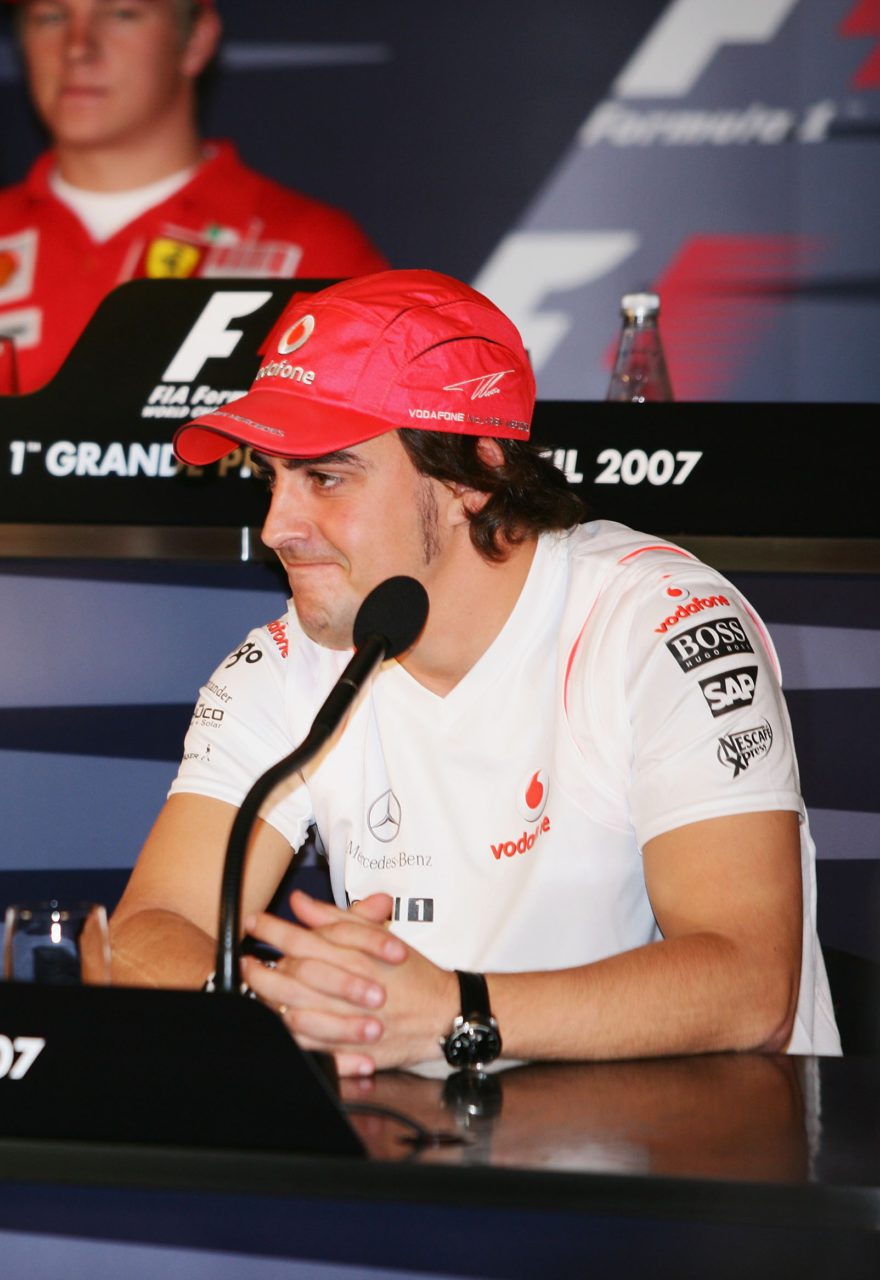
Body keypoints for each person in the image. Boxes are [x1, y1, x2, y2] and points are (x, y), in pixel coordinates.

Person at [111, 268, 839, 1072]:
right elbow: (149, 927)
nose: (277, 526)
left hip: (704, 1173)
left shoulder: (657, 622)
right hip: (441, 1160)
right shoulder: (288, 660)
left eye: (325, 477)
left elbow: (748, 984)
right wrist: (295, 1006)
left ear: (471, 473)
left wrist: (456, 1014)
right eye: (268, 477)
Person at [0, 0, 386, 395]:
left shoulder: (313, 252)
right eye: (50, 16)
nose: (78, 48)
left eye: (121, 13)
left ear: (194, 40)